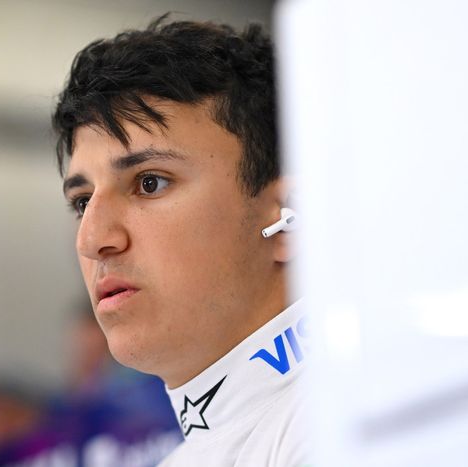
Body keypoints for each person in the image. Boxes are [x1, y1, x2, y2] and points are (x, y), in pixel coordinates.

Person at [52, 15, 309, 467]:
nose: (93, 240)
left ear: (290, 215)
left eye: (149, 183)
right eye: (82, 201)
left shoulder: (354, 425)